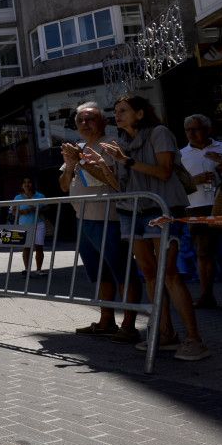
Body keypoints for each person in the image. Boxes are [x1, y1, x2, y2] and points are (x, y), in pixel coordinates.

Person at [100, 94, 210, 361]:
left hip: (161, 209)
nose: (118, 115)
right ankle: (166, 333)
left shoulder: (159, 132)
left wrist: (125, 160)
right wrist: (96, 167)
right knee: (149, 274)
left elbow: (164, 172)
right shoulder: (120, 142)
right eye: (116, 111)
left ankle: (195, 339)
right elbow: (119, 184)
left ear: (140, 113)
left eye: (124, 110)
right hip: (131, 211)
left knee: (169, 274)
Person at [59, 102, 139, 341]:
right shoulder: (78, 148)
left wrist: (81, 162)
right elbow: (64, 185)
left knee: (123, 271)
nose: (85, 123)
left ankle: (129, 324)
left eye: (90, 118)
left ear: (103, 122)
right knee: (100, 273)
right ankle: (106, 321)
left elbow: (114, 179)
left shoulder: (112, 145)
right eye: (80, 120)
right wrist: (72, 164)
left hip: (109, 218)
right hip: (83, 218)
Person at [180, 113, 222, 310]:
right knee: (203, 254)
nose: (192, 133)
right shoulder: (181, 155)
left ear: (208, 130)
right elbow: (174, 187)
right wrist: (196, 181)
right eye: (188, 130)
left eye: (197, 129)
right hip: (198, 207)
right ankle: (206, 296)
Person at [11, 178, 47, 277]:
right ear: (22, 185)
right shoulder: (17, 197)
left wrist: (37, 209)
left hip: (39, 224)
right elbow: (13, 212)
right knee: (26, 247)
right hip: (24, 225)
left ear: (33, 184)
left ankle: (39, 270)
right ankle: (27, 270)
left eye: (29, 182)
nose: (27, 184)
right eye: (24, 182)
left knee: (39, 247)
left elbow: (47, 208)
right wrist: (23, 212)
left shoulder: (40, 196)